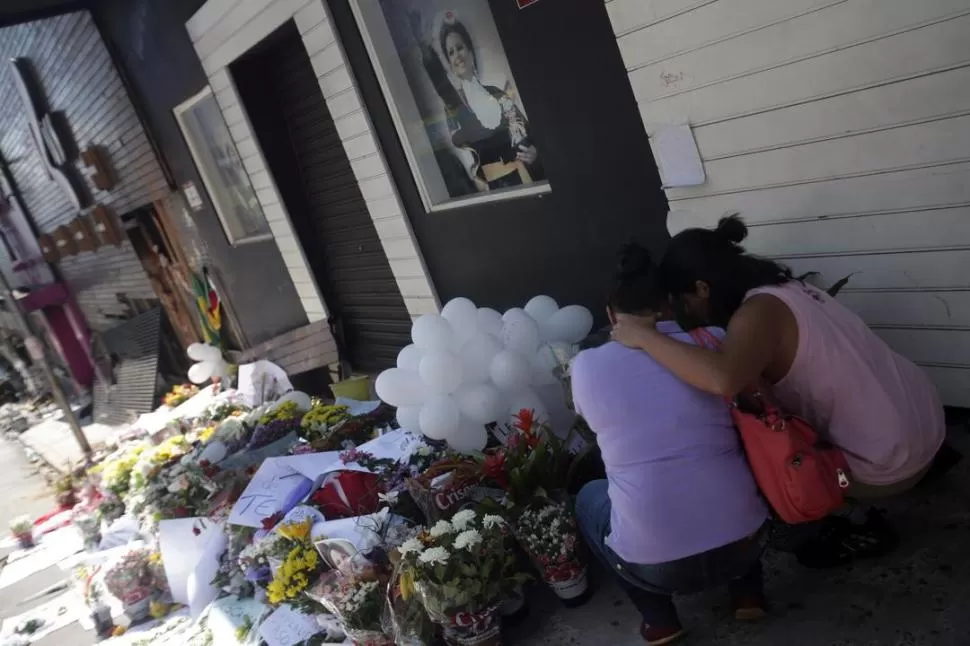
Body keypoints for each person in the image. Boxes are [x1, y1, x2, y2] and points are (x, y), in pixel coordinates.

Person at [611, 215, 948, 566]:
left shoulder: (756, 315)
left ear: (702, 288)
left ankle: (845, 528)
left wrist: (644, 336)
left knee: (759, 459)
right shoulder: (786, 288)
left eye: (683, 302)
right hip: (927, 420)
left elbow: (723, 379)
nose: (686, 312)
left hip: (893, 460)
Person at [572, 244, 770, 645]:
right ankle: (748, 595)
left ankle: (660, 619)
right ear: (667, 305)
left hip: (657, 567)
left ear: (611, 314)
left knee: (589, 496)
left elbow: (592, 424)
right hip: (745, 543)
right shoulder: (713, 341)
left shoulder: (586, 366)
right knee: (731, 468)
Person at [418, 13, 543, 193]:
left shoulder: (496, 93)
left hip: (525, 179)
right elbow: (444, 89)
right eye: (450, 52)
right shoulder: (454, 104)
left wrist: (534, 151)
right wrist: (426, 51)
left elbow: (527, 133)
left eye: (460, 48)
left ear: (470, 51)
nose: (457, 56)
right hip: (495, 189)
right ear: (449, 63)